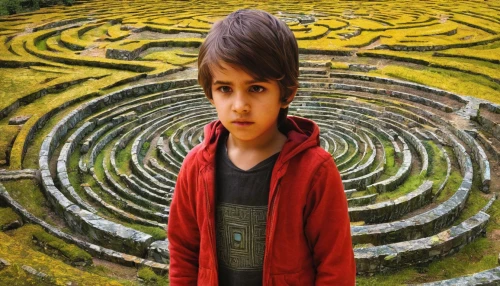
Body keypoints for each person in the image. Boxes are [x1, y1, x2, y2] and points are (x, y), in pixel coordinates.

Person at [167, 9, 355, 286]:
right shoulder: (195, 166)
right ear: (210, 92)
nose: (239, 105)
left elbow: (335, 265)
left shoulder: (315, 171)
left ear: (287, 93)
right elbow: (183, 252)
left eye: (256, 88)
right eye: (225, 89)